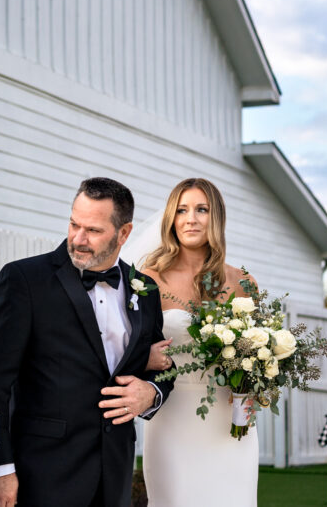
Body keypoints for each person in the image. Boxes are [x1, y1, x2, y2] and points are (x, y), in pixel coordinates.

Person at [0, 177, 174, 507]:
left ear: (124, 233)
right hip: (42, 474)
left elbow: (161, 364)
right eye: (74, 224)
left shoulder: (144, 290)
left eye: (93, 230)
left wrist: (151, 392)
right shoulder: (23, 280)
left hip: (115, 471)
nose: (78, 238)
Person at [137, 177, 259, 506]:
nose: (191, 218)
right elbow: (129, 349)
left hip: (230, 423)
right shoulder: (148, 279)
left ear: (215, 217)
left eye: (201, 209)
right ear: (171, 219)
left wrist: (255, 388)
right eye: (182, 210)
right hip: (172, 420)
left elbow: (259, 356)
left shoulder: (243, 282)